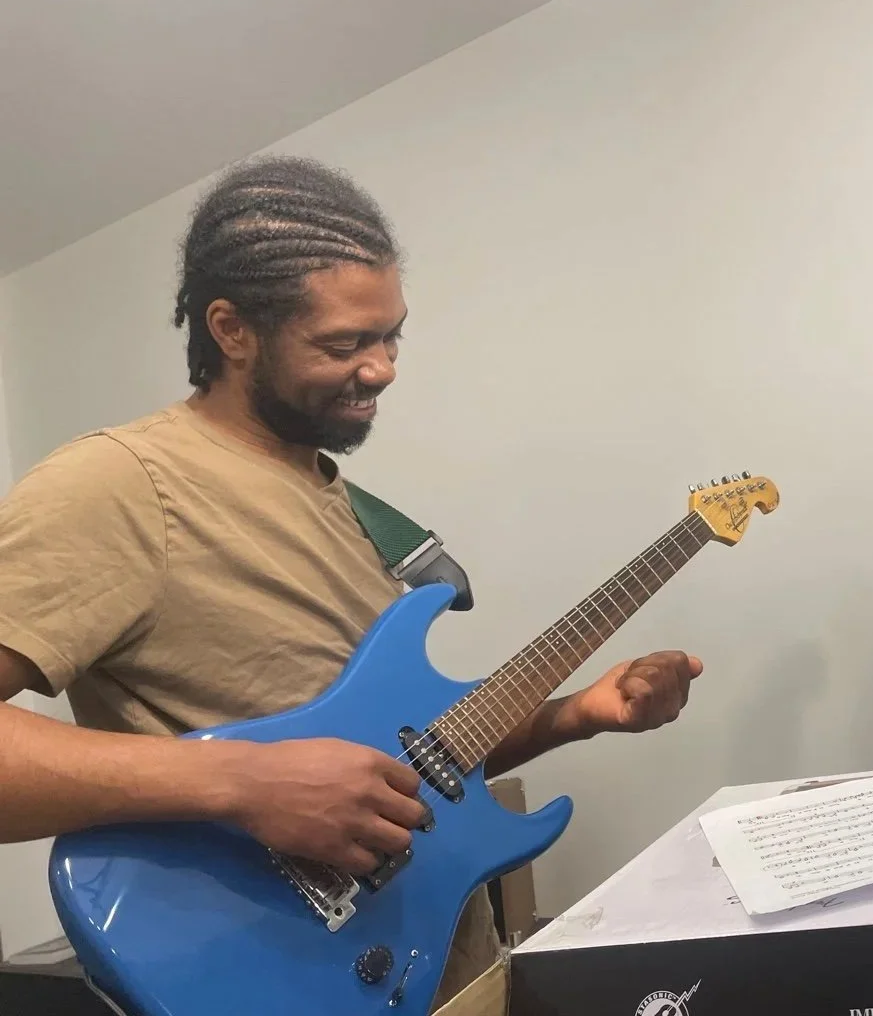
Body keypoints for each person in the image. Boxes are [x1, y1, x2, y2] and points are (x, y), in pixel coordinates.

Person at [0, 156, 705, 1010]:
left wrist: (577, 715)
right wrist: (245, 784)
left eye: (391, 336)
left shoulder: (356, 512)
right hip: (273, 979)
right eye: (344, 344)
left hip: (439, 974)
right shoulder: (122, 483)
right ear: (231, 330)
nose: (382, 369)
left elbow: (409, 769)